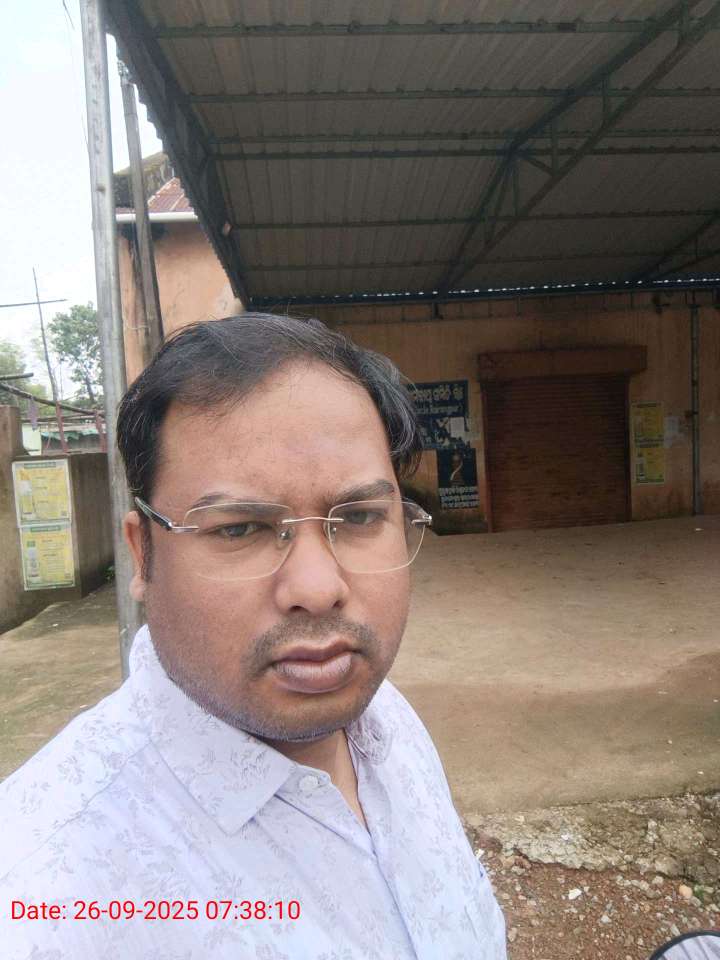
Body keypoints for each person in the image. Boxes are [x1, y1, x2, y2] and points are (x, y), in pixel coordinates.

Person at [0, 314, 506, 959]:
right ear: (142, 554)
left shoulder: (389, 721)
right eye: (240, 528)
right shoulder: (44, 900)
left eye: (358, 517)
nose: (318, 588)